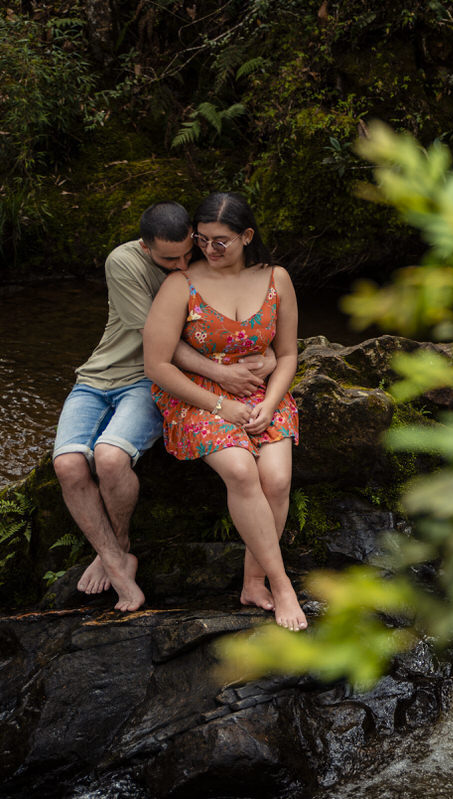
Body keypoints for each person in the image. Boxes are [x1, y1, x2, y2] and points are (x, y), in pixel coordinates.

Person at [53, 201, 276, 613]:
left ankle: (117, 551)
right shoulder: (124, 262)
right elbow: (162, 344)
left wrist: (272, 358)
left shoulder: (204, 261)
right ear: (144, 247)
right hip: (101, 376)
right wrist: (222, 375)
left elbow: (247, 324)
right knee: (67, 465)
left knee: (109, 457)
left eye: (186, 252)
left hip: (145, 381)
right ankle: (116, 558)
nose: (179, 265)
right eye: (167, 259)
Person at [143, 192, 307, 631]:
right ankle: (281, 582)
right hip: (197, 397)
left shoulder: (277, 278)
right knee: (239, 469)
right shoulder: (181, 284)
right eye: (203, 240)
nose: (209, 250)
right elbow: (156, 364)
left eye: (222, 241)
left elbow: (288, 354)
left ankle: (253, 583)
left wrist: (270, 402)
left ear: (246, 236)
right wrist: (222, 404)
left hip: (261, 393)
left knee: (277, 478)